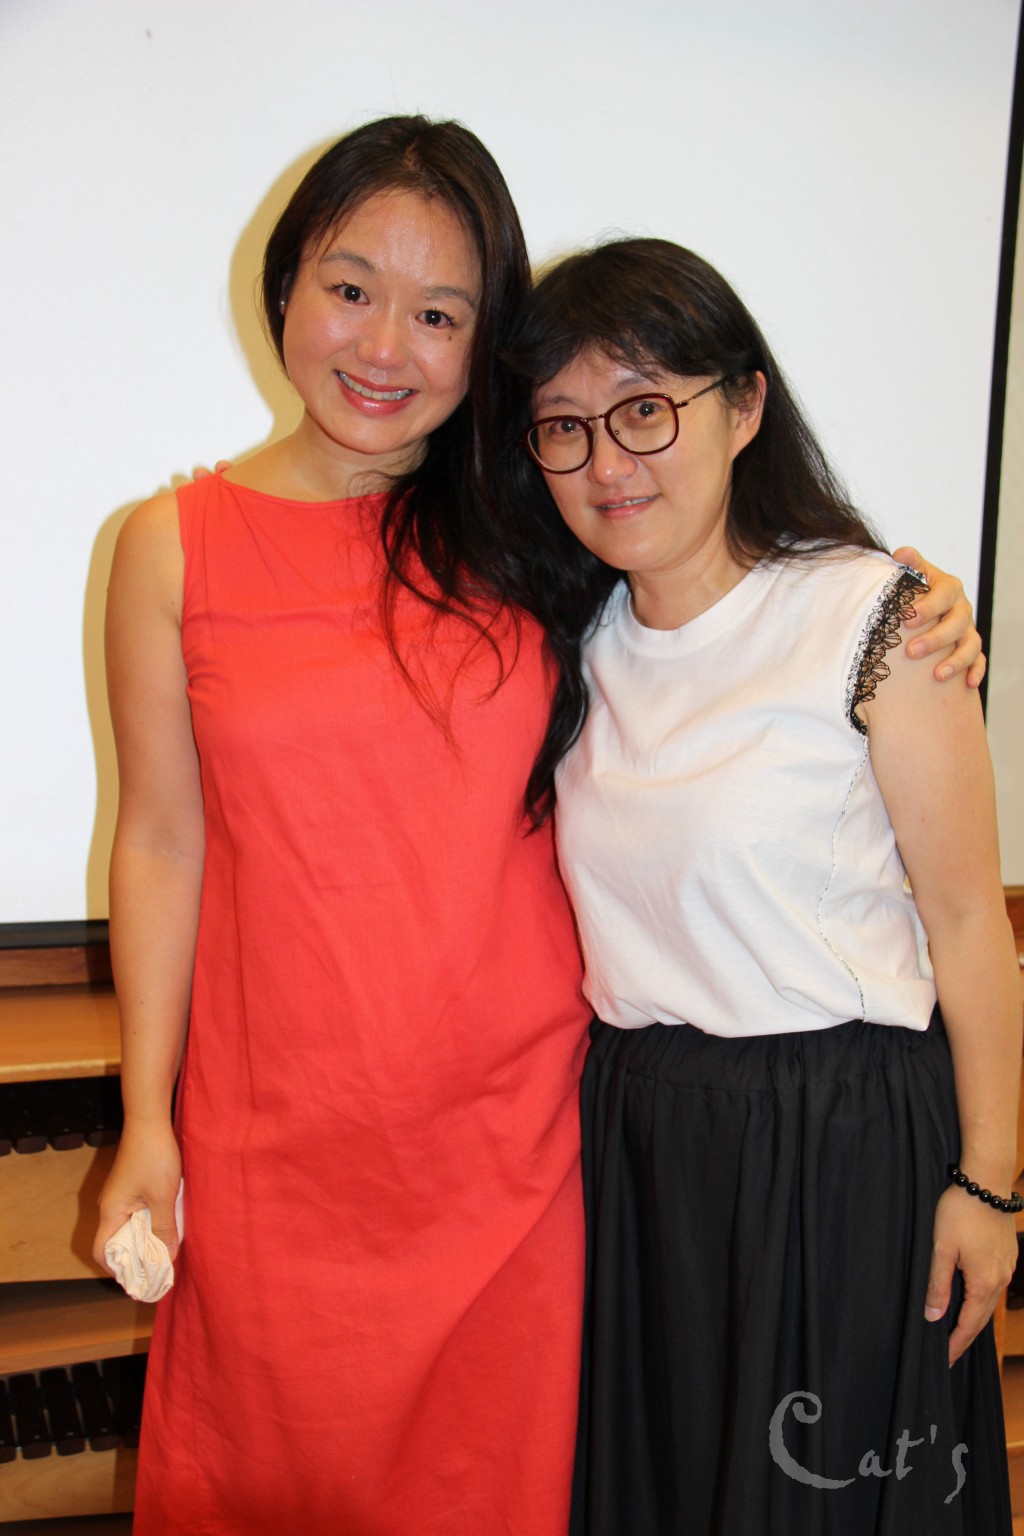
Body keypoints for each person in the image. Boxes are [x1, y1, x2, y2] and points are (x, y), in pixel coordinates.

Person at [95, 115, 983, 1534]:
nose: (386, 344)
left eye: (441, 313)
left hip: (523, 1157)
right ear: (285, 284)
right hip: (278, 1151)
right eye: (351, 287)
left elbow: (722, 607)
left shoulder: (525, 531)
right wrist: (147, 1119)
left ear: (483, 346)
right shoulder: (169, 547)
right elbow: (160, 843)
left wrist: (912, 602)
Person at [502, 237, 1020, 1536]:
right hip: (641, 1140)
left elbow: (971, 923)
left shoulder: (875, 619)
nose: (607, 463)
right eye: (563, 426)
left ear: (743, 406)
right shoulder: (577, 644)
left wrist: (993, 1183)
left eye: (645, 409)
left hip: (837, 1138)